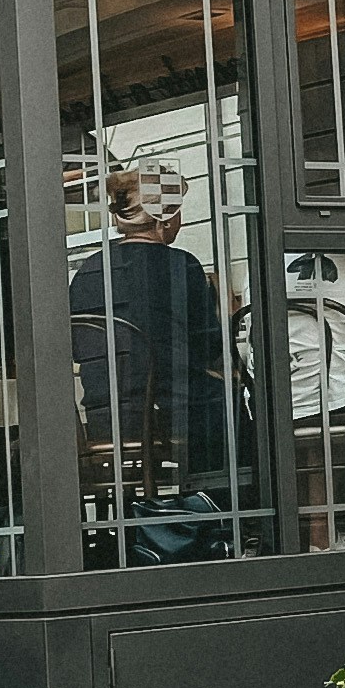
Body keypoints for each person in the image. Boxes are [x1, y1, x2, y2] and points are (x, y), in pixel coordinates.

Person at [68, 166, 234, 491]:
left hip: (106, 417)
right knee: (241, 410)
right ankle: (211, 515)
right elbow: (210, 347)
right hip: (167, 414)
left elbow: (79, 348)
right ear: (165, 219)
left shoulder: (87, 271)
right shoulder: (180, 265)